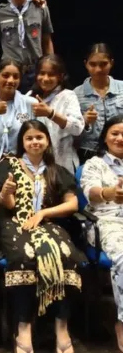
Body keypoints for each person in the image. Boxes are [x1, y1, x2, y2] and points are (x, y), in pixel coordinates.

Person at [0, 120, 85, 353]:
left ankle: (61, 328)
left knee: (67, 256)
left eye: (39, 137)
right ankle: (23, 328)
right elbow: (7, 205)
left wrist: (43, 213)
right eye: (29, 138)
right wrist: (6, 193)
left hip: (48, 223)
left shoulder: (56, 170)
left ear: (47, 141)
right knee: (24, 257)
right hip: (14, 223)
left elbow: (72, 204)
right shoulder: (8, 166)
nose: (34, 142)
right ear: (22, 142)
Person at [80, 115, 123, 351]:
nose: (120, 138)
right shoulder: (95, 164)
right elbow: (92, 192)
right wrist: (110, 193)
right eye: (115, 133)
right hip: (106, 221)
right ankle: (122, 322)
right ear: (105, 137)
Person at [28, 55, 84, 172]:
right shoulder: (29, 97)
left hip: (62, 165)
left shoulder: (68, 96)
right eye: (42, 73)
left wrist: (51, 113)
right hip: (34, 165)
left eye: (51, 74)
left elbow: (77, 127)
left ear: (61, 76)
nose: (45, 78)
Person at [74, 43, 123, 163]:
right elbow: (70, 132)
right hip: (88, 153)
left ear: (111, 62)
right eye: (93, 64)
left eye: (103, 64)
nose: (98, 69)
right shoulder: (76, 94)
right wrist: (84, 121)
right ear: (85, 64)